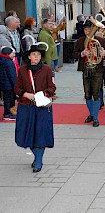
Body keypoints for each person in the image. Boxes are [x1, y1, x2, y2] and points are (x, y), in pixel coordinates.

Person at [14, 45, 56, 173]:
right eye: (33, 54)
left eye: (38, 54)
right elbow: (17, 88)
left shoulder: (47, 69)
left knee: (41, 133)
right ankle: (36, 156)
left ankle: (38, 160)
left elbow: (52, 87)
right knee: (26, 133)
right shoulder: (22, 70)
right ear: (29, 57)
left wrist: (43, 94)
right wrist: (26, 94)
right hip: (26, 106)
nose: (36, 57)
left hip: (42, 107)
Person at [72, 20, 105, 127]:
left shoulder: (100, 40)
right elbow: (74, 55)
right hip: (86, 69)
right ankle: (91, 114)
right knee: (87, 94)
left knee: (96, 93)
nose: (88, 31)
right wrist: (82, 53)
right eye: (86, 29)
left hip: (97, 69)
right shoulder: (80, 41)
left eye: (90, 29)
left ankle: (96, 118)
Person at [0, 47, 18, 120]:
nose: (14, 55)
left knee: (6, 98)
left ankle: (7, 112)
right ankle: (7, 113)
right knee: (9, 99)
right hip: (9, 85)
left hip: (3, 84)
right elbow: (12, 75)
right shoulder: (9, 63)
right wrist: (16, 85)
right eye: (12, 53)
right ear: (8, 54)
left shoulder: (2, 61)